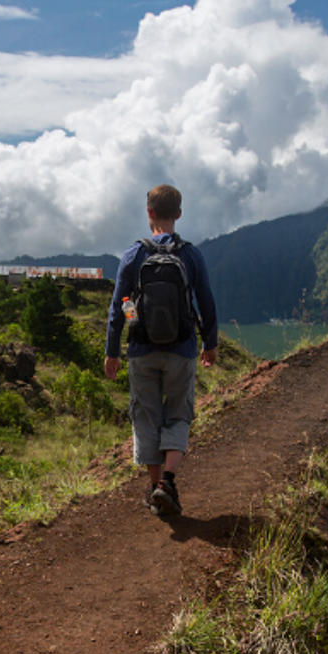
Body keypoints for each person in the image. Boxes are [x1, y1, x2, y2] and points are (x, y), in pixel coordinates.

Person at [104, 184, 218, 518]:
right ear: (179, 214)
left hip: (141, 349)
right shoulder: (191, 254)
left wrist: (113, 350)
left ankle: (156, 488)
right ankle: (167, 482)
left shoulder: (133, 254)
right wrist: (209, 344)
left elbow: (118, 306)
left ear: (149, 212)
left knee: (146, 416)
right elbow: (206, 302)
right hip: (182, 348)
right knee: (178, 413)